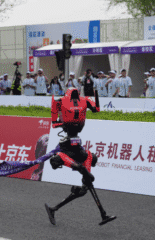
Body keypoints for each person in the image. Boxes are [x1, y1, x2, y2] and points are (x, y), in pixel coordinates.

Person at [45, 87, 116, 226]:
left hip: (75, 145)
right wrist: (95, 96)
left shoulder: (62, 101)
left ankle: (54, 209)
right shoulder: (82, 100)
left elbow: (55, 123)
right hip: (67, 148)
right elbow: (97, 109)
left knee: (86, 181)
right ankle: (83, 172)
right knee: (59, 159)